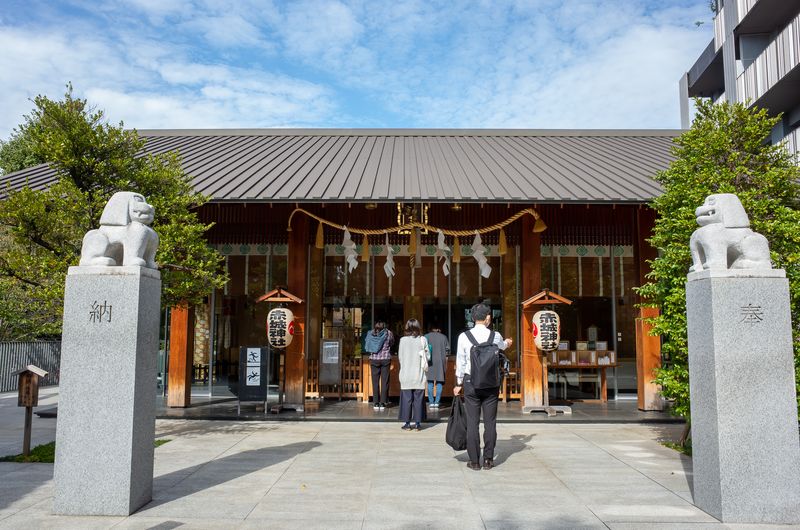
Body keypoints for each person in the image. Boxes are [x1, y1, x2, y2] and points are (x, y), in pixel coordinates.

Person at [453, 303, 512, 470]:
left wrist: (458, 383)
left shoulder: (464, 337)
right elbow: (503, 346)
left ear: (473, 318)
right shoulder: (495, 336)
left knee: (472, 423)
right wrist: (507, 342)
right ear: (488, 318)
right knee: (490, 422)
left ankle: (474, 461)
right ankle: (488, 459)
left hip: (471, 383)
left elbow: (461, 361)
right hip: (491, 383)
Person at [397, 318, 429, 431]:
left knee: (407, 400)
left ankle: (407, 424)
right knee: (418, 400)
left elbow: (400, 358)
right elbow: (428, 357)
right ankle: (418, 424)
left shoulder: (402, 340)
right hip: (418, 375)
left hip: (405, 374)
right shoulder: (423, 340)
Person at [364, 321, 393, 411]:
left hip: (374, 359)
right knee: (385, 381)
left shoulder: (371, 333)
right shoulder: (388, 333)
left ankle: (376, 402)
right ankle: (383, 403)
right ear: (384, 326)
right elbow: (392, 343)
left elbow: (367, 342)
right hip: (385, 359)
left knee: (375, 381)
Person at [425, 324, 449, 408]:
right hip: (440, 362)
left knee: (430, 382)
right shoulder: (444, 337)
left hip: (430, 361)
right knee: (439, 382)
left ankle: (431, 402)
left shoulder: (426, 337)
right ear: (438, 329)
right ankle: (437, 402)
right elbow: (447, 350)